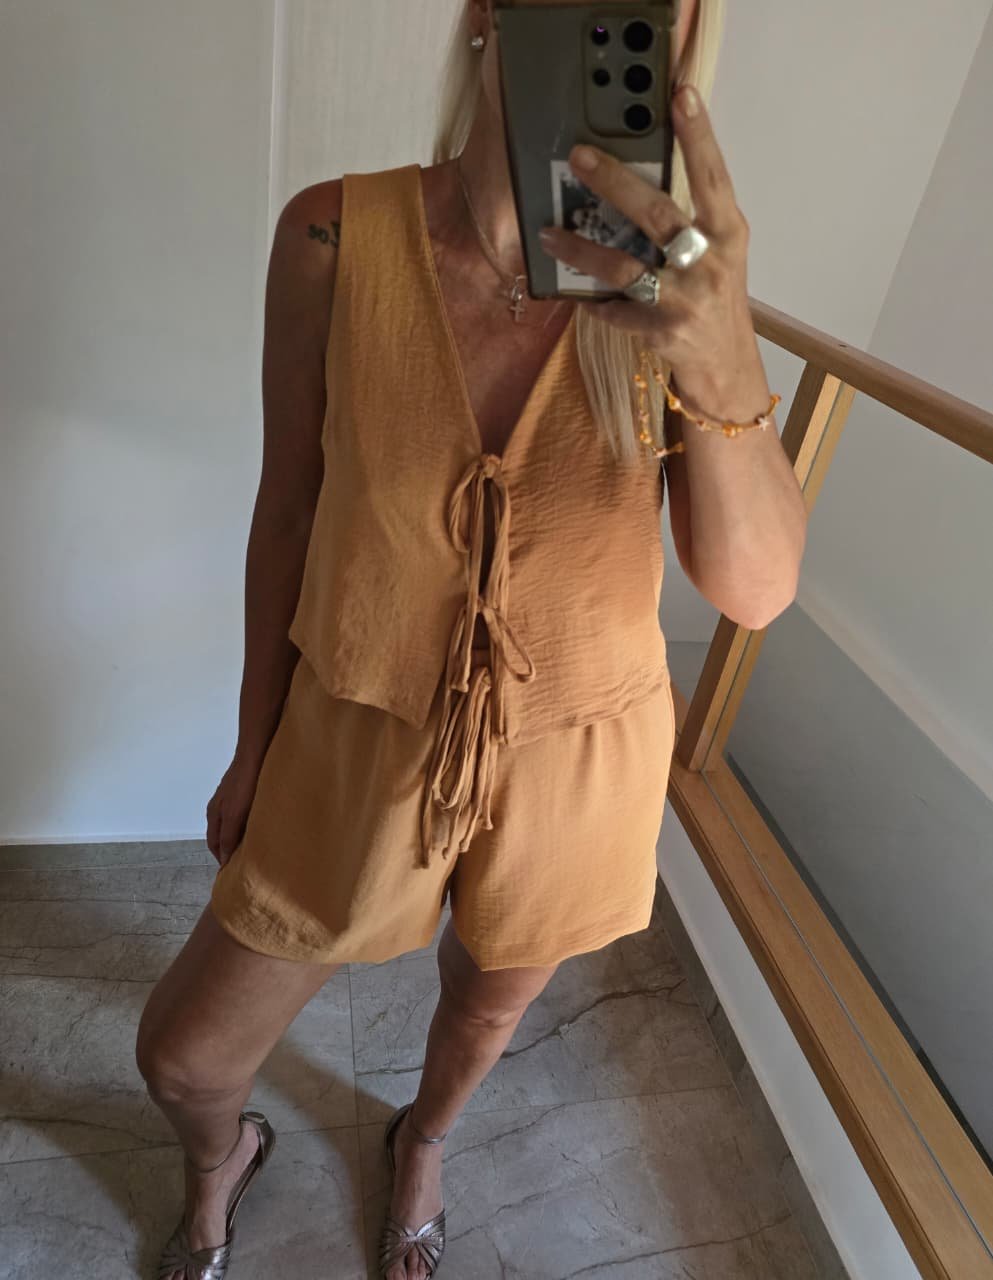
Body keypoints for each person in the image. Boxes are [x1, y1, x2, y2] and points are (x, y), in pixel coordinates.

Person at [136, 1, 807, 1277]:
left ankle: (427, 1138)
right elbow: (289, 509)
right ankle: (221, 1155)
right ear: (492, 10)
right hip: (361, 725)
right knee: (182, 1055)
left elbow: (756, 590)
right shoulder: (334, 236)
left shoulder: (671, 287)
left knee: (489, 1001)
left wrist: (721, 354)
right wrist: (252, 741)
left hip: (581, 747)